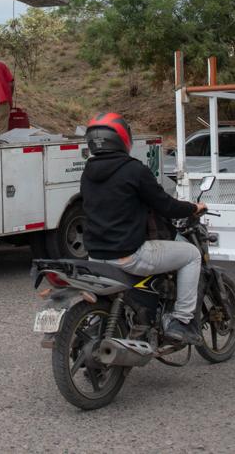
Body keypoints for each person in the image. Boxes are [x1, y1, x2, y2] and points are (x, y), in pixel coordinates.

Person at [80, 112, 207, 345]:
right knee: (191, 255)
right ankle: (181, 320)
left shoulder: (88, 171)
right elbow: (165, 205)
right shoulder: (134, 170)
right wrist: (192, 207)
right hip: (128, 255)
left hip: (96, 256)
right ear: (123, 138)